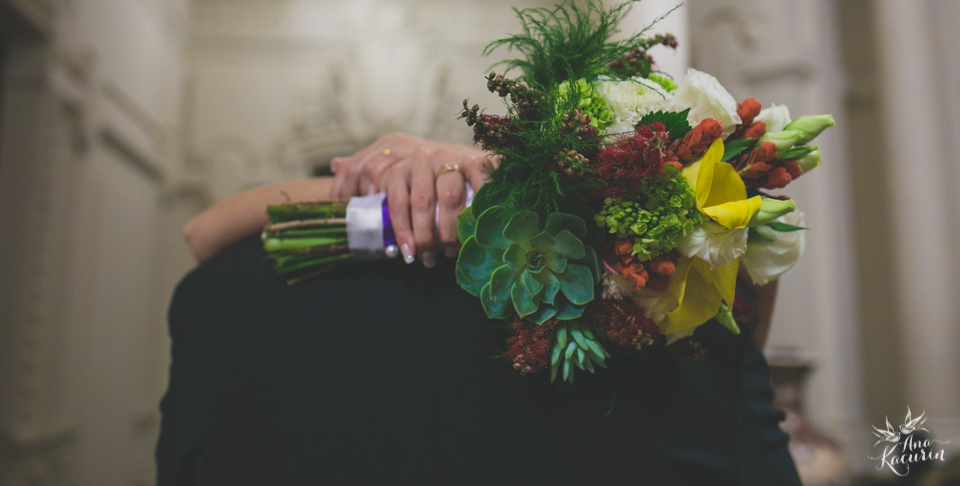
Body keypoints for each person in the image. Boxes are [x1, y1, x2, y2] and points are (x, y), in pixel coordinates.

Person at [158, 133, 801, 485]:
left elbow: (204, 235)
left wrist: (371, 176)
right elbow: (753, 275)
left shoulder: (220, 295)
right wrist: (407, 170)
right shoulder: (683, 325)